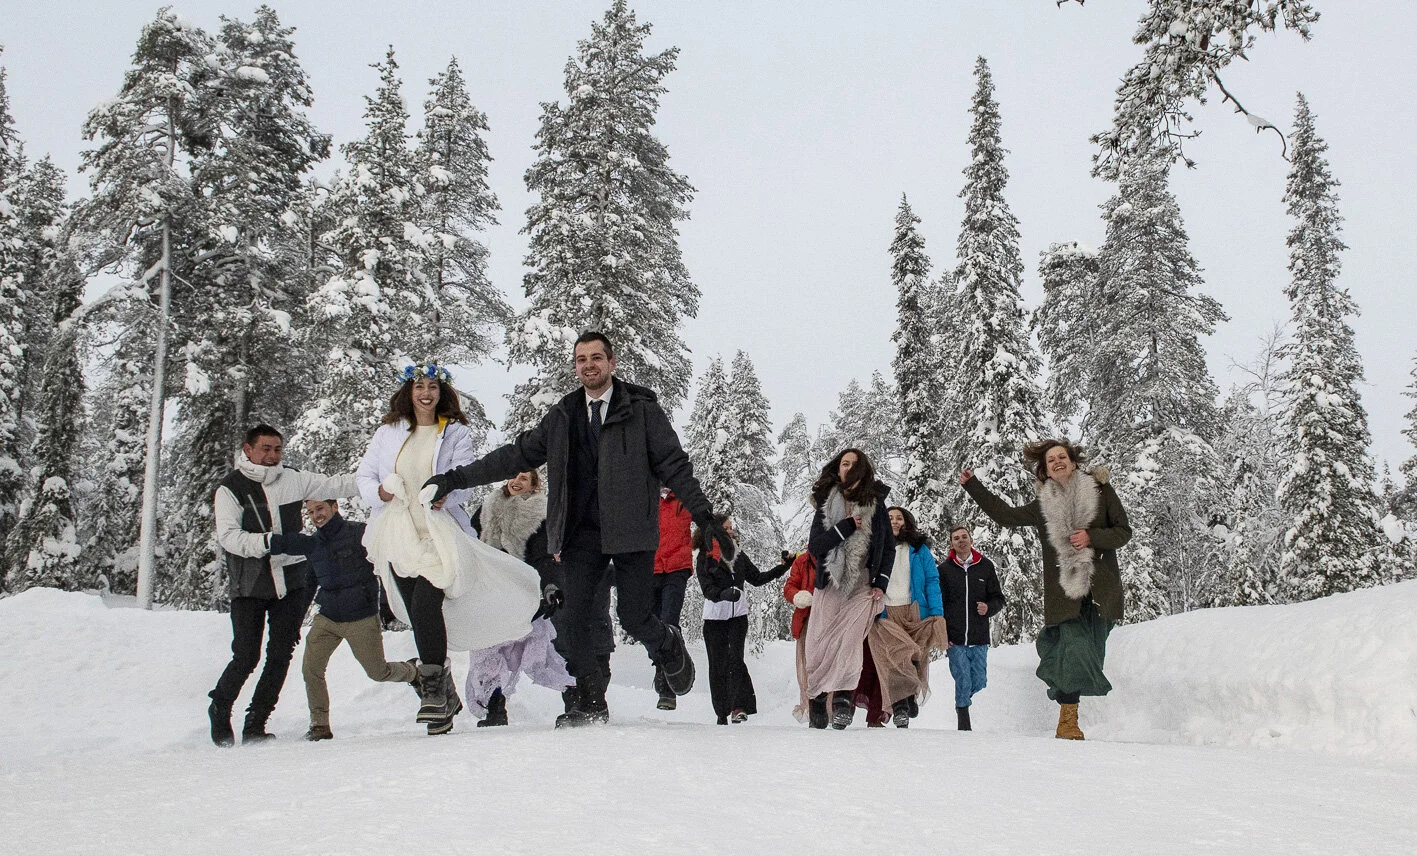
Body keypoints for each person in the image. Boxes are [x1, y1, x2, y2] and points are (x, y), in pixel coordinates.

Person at [424, 332, 734, 727]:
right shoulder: (563, 415)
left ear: (611, 363)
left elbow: (675, 465)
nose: (589, 365)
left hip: (631, 530)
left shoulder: (641, 410)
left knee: (635, 617)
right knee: (573, 620)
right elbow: (514, 456)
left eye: (596, 358)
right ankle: (591, 701)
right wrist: (452, 480)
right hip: (580, 534)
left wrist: (705, 517)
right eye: (581, 359)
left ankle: (667, 642)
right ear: (576, 367)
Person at [960, 439, 1131, 740]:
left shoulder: (1101, 491)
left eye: (1061, 457)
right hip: (1065, 593)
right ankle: (1068, 721)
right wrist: (973, 486)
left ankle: (1067, 707)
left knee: (1090, 653)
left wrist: (1091, 537)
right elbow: (1006, 516)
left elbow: (1123, 532)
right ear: (1046, 471)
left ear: (1073, 462)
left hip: (1100, 591)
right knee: (1073, 648)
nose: (1057, 462)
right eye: (1051, 461)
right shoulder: (1043, 505)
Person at [208, 424, 358, 747]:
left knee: (280, 652)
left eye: (277, 449)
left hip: (292, 581)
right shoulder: (230, 489)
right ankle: (220, 707)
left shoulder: (292, 478)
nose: (272, 455)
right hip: (250, 583)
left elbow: (334, 484)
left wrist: (379, 483)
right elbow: (229, 537)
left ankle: (256, 721)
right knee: (246, 655)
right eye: (266, 449)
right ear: (248, 450)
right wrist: (274, 542)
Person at [356, 363, 478, 735]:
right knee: (419, 613)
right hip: (399, 533)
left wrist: (446, 495)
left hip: (438, 533)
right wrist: (380, 491)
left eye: (432, 386)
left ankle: (433, 692)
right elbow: (365, 475)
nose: (426, 393)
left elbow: (467, 479)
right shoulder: (388, 432)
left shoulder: (454, 432)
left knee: (426, 603)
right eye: (419, 386)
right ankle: (445, 696)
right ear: (408, 392)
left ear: (443, 392)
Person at [266, 499, 418, 741]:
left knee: (378, 672)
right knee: (311, 669)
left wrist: (385, 606)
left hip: (361, 618)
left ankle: (414, 673)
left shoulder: (359, 533)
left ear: (334, 507)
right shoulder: (314, 544)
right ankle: (319, 725)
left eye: (320, 509)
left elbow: (382, 568)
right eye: (311, 512)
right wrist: (295, 623)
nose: (316, 515)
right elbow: (309, 583)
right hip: (328, 618)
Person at [466, 471, 574, 727]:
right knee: (486, 651)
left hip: (523, 592)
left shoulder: (539, 513)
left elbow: (545, 556)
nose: (516, 481)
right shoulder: (488, 507)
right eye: (514, 477)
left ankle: (575, 697)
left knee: (540, 652)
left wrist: (550, 586)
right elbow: (471, 545)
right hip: (490, 592)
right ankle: (495, 708)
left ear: (534, 485)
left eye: (524, 478)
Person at [803, 448, 895, 730]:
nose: (849, 468)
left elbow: (888, 548)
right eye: (844, 463)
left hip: (862, 583)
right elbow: (815, 546)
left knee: (851, 640)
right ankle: (818, 696)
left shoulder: (876, 504)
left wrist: (880, 583)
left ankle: (843, 699)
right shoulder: (826, 502)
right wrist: (844, 528)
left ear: (863, 470)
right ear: (838, 468)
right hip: (830, 582)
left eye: (854, 464)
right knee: (820, 643)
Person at [695, 514, 792, 724]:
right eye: (726, 528)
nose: (731, 531)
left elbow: (757, 578)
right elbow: (706, 588)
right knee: (718, 664)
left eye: (731, 528)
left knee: (735, 659)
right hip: (714, 619)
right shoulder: (705, 556)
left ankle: (738, 707)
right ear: (715, 532)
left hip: (738, 616)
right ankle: (721, 713)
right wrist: (722, 594)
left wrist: (784, 567)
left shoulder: (738, 555)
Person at [866, 506, 949, 728]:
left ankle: (910, 695)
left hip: (914, 612)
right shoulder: (875, 548)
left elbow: (932, 580)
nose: (894, 521)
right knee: (895, 658)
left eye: (899, 518)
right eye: (890, 518)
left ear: (906, 522)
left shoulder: (919, 550)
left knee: (914, 658)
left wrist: (937, 613)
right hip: (886, 613)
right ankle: (900, 708)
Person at [939, 524, 1005, 731]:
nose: (961, 540)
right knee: (962, 678)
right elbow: (939, 604)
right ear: (951, 544)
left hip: (979, 637)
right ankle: (963, 721)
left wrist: (989, 607)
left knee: (979, 680)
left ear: (971, 540)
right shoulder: (944, 570)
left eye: (964, 536)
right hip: (955, 638)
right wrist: (942, 634)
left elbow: (998, 598)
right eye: (956, 538)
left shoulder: (985, 566)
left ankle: (964, 702)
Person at [650, 488, 694, 710]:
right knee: (651, 624)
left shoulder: (684, 497)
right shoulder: (646, 496)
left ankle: (667, 685)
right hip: (650, 568)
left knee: (669, 620)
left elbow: (707, 522)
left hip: (677, 568)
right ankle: (664, 664)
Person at [782, 550, 816, 723]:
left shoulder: (838, 556)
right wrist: (798, 596)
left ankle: (830, 709)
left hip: (832, 620)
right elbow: (789, 587)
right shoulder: (802, 561)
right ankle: (812, 709)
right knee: (807, 666)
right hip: (807, 619)